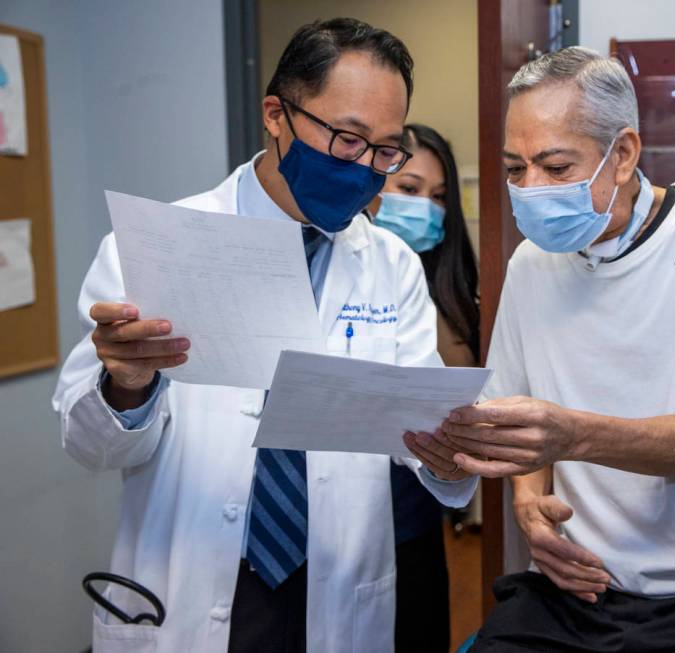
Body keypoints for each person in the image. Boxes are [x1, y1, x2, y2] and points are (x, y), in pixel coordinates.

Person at [52, 18, 476, 653]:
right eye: (346, 139)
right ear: (277, 114)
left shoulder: (392, 266)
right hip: (192, 582)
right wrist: (128, 385)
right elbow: (92, 448)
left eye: (385, 150)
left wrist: (447, 451)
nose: (367, 169)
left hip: (339, 589)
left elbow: (419, 441)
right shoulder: (155, 248)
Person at [431, 46, 675, 652]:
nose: (530, 189)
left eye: (555, 168)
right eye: (514, 168)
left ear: (625, 154)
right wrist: (531, 505)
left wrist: (571, 434)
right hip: (577, 589)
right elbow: (519, 423)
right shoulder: (532, 265)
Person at [370, 123, 480, 652]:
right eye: (409, 191)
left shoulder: (450, 286)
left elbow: (455, 385)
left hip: (413, 509)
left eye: (438, 198)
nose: (425, 209)